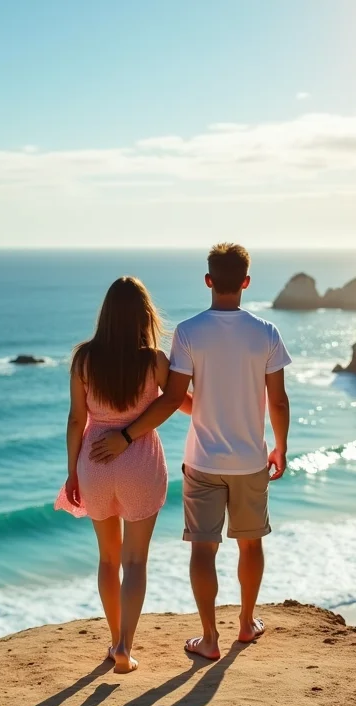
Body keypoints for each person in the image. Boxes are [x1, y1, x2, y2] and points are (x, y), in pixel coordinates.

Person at [90, 242, 291, 661]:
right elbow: (278, 400)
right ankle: (246, 623)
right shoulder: (267, 333)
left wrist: (129, 434)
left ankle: (209, 637)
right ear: (246, 282)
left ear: (208, 280)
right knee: (251, 544)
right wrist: (281, 447)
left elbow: (172, 397)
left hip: (202, 460)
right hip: (251, 458)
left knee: (203, 549)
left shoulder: (188, 332)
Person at [55, 276, 188, 674]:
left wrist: (72, 473)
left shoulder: (83, 359)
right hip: (139, 461)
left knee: (108, 559)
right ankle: (125, 649)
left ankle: (114, 640)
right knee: (135, 561)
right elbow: (174, 401)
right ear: (144, 315)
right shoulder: (154, 361)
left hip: (94, 463)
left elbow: (76, 419)